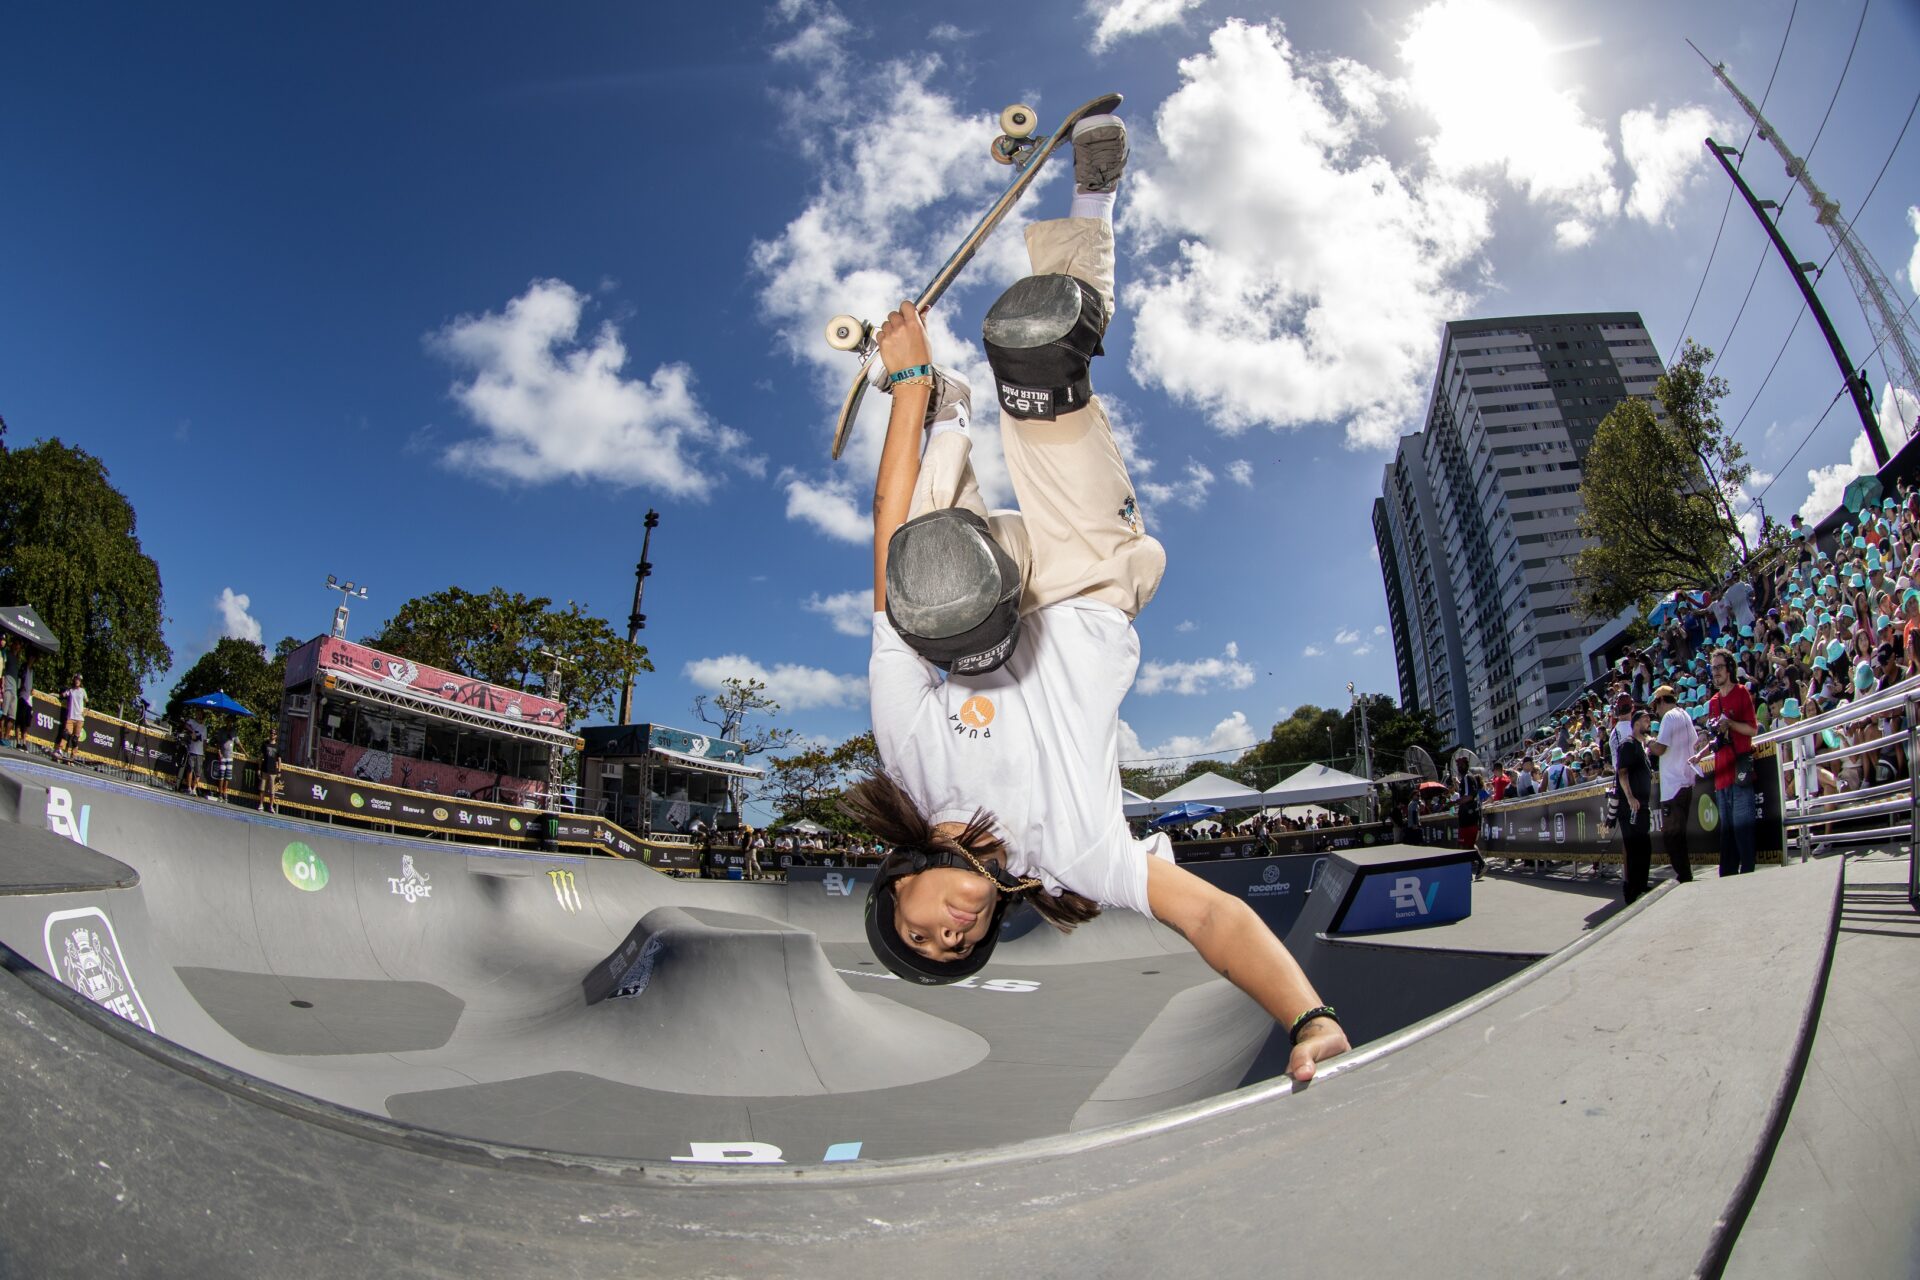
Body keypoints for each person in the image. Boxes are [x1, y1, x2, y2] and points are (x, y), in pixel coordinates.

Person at [852, 114, 1347, 1083]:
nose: (954, 930)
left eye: (926, 930)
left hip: (984, 579)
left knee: (929, 596)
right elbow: (1211, 913)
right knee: (1035, 352)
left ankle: (944, 404)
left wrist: (907, 386)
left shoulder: (908, 762)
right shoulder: (1079, 859)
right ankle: (1092, 205)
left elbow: (886, 561)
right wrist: (1308, 1016)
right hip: (1081, 581)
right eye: (961, 947)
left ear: (901, 881)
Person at [1693, 647, 1759, 875]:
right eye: (1714, 668)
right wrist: (1701, 751)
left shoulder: (1741, 693)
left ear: (1730, 668)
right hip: (1721, 776)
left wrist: (1730, 723)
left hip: (1740, 773)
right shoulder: (1712, 702)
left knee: (1743, 834)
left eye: (1720, 667)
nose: (1716, 672)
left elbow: (1752, 729)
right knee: (1727, 837)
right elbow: (1717, 740)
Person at [1646, 685, 1698, 888]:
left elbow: (1660, 748)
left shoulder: (1668, 718)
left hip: (1673, 785)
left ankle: (1684, 877)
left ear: (1661, 701)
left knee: (1672, 836)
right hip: (1686, 781)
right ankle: (1685, 874)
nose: (1656, 712)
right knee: (1679, 835)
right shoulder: (1685, 715)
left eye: (1655, 706)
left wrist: (1649, 741)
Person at [1614, 707, 1656, 904]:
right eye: (1646, 720)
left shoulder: (1642, 746)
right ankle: (1631, 890)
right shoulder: (1628, 745)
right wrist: (1630, 797)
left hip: (1643, 805)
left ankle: (1640, 884)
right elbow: (1622, 773)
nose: (1649, 723)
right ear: (1637, 723)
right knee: (1633, 848)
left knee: (1643, 846)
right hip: (1630, 806)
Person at [55, 673, 86, 763]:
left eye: (79, 680)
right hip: (71, 717)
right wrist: (54, 694)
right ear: (74, 680)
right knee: (66, 734)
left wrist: (86, 711)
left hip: (80, 718)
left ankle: (73, 757)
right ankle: (59, 751)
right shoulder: (70, 691)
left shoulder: (83, 691)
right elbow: (62, 696)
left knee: (75, 739)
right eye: (76, 679)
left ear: (81, 682)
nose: (77, 681)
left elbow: (87, 702)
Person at [258, 726, 281, 813]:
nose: (272, 735)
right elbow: (261, 757)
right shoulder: (265, 744)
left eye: (274, 734)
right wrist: (259, 768)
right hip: (264, 769)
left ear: (276, 736)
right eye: (271, 733)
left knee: (272, 790)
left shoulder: (277, 747)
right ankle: (261, 804)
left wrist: (279, 771)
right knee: (262, 789)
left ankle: (271, 806)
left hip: (273, 771)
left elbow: (279, 760)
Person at [214, 724, 237, 801]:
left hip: (230, 757)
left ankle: (224, 792)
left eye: (230, 722)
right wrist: (219, 752)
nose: (229, 723)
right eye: (228, 721)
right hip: (223, 757)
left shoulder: (234, 732)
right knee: (221, 776)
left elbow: (238, 742)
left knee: (227, 777)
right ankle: (220, 793)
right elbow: (218, 742)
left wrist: (245, 752)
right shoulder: (222, 731)